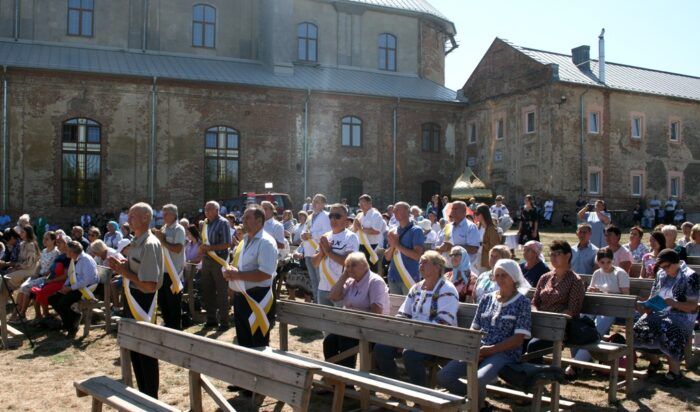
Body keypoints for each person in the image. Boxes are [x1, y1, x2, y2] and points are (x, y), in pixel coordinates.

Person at [437, 259, 532, 409]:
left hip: (505, 353)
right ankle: (480, 404)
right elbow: (474, 328)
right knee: (444, 376)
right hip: (480, 349)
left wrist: (490, 350)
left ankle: (476, 406)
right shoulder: (487, 298)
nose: (500, 279)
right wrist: (475, 348)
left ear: (514, 277)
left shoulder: (522, 303)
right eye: (497, 275)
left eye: (504, 275)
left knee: (478, 380)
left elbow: (518, 339)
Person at [373, 251, 459, 386]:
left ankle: (422, 398)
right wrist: (400, 335)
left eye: (425, 262)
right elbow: (403, 314)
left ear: (437, 267)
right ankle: (396, 390)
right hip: (412, 336)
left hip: (439, 339)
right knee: (381, 348)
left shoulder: (447, 289)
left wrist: (409, 340)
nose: (420, 265)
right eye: (420, 262)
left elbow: (442, 322)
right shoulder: (416, 287)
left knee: (410, 355)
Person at [107, 202, 163, 398]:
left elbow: (149, 285)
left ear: (146, 218)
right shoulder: (136, 241)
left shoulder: (149, 244)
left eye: (132, 216)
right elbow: (137, 272)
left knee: (146, 353)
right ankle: (142, 395)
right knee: (135, 352)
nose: (128, 219)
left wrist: (124, 272)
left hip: (143, 303)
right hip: (133, 302)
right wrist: (124, 266)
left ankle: (151, 399)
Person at [634, 249, 698, 382]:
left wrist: (674, 303)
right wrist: (647, 307)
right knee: (638, 327)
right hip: (660, 312)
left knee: (668, 328)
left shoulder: (690, 276)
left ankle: (674, 372)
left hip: (682, 315)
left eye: (667, 266)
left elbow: (693, 306)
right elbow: (654, 296)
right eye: (662, 267)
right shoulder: (661, 274)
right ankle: (655, 361)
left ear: (676, 263)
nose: (664, 269)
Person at [566, 248, 630, 378]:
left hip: (614, 309)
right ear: (598, 261)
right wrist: (593, 290)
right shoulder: (597, 273)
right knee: (578, 325)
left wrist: (606, 295)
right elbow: (590, 291)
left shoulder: (620, 273)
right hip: (596, 307)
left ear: (612, 260)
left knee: (594, 332)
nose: (605, 265)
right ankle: (579, 363)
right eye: (602, 262)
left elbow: (625, 296)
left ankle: (574, 365)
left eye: (608, 262)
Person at [222, 205, 278, 349]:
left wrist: (238, 274)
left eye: (247, 217)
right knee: (243, 343)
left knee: (258, 344)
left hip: (258, 298)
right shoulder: (244, 241)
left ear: (259, 221)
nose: (243, 220)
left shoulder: (266, 242)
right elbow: (239, 267)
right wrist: (230, 272)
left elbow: (265, 274)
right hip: (242, 297)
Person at [324, 252, 389, 367]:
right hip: (349, 325)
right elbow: (333, 296)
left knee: (346, 341)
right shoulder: (350, 281)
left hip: (370, 328)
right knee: (329, 341)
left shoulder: (374, 281)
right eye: (347, 266)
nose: (349, 268)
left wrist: (358, 322)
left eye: (353, 265)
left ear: (365, 265)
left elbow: (377, 312)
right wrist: (344, 276)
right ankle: (334, 377)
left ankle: (347, 382)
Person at [528, 240, 585, 354]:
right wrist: (536, 314)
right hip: (539, 323)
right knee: (519, 340)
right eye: (552, 254)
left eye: (557, 254)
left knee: (533, 346)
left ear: (568, 255)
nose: (553, 257)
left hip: (560, 328)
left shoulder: (575, 280)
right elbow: (534, 302)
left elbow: (572, 311)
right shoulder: (545, 277)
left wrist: (550, 321)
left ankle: (538, 371)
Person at [311, 204, 359, 306]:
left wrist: (329, 252)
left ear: (346, 217)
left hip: (341, 289)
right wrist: (321, 254)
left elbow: (348, 263)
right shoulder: (325, 236)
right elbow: (314, 263)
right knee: (324, 322)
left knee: (339, 321)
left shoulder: (351, 237)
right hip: (323, 288)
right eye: (331, 216)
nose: (333, 219)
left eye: (337, 216)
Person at [48, 240, 99, 336]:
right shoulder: (74, 259)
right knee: (52, 298)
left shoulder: (85, 260)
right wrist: (66, 286)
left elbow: (87, 280)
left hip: (86, 289)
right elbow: (71, 275)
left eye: (67, 250)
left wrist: (71, 288)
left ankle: (72, 327)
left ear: (72, 252)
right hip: (77, 286)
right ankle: (71, 320)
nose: (65, 251)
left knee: (63, 303)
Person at [151, 204, 186, 330]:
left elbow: (178, 248)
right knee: (163, 303)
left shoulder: (179, 229)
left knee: (174, 305)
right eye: (163, 213)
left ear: (174, 214)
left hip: (173, 273)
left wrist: (163, 240)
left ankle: (175, 330)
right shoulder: (164, 228)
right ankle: (167, 327)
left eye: (166, 214)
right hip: (162, 272)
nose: (163, 216)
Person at [11, 231, 59, 322]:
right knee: (22, 287)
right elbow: (39, 264)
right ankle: (16, 313)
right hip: (38, 275)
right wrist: (35, 274)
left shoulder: (56, 253)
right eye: (44, 238)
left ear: (53, 241)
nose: (44, 240)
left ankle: (22, 314)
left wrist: (44, 274)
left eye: (47, 239)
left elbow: (53, 269)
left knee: (26, 287)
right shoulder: (44, 251)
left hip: (46, 278)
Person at [199, 201, 232, 331]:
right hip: (207, 260)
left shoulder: (223, 223)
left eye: (209, 209)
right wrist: (202, 248)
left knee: (221, 292)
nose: (206, 211)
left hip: (219, 260)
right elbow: (204, 241)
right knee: (208, 291)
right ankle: (211, 319)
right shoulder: (206, 223)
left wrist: (210, 248)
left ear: (217, 210)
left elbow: (227, 244)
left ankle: (224, 322)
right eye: (205, 209)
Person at [297, 194, 332, 302]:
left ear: (323, 204)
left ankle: (321, 303)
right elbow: (304, 230)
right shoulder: (310, 216)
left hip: (319, 252)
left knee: (320, 280)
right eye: (313, 201)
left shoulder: (326, 216)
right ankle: (316, 301)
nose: (314, 203)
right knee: (313, 280)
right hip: (308, 252)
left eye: (317, 201)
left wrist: (312, 235)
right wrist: (302, 235)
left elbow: (327, 233)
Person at [384, 202, 424, 295]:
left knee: (409, 308)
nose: (394, 212)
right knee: (395, 308)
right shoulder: (393, 231)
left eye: (398, 209)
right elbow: (387, 257)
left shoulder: (416, 230)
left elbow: (417, 256)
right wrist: (393, 246)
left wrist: (397, 245)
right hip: (393, 276)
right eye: (394, 210)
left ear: (407, 211)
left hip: (409, 276)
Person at [33, 234, 72, 322]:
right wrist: (46, 278)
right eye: (57, 242)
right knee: (35, 290)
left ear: (66, 244)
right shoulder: (60, 256)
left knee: (41, 292)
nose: (57, 244)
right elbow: (51, 271)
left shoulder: (67, 257)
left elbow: (66, 276)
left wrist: (51, 280)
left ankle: (46, 315)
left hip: (63, 283)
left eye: (60, 243)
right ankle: (41, 316)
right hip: (55, 280)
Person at [435, 201, 480, 269]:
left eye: (456, 209)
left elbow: (474, 249)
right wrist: (441, 248)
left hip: (463, 268)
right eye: (452, 208)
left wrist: (453, 247)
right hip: (446, 267)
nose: (453, 211)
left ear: (464, 212)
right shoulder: (448, 227)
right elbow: (436, 246)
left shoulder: (471, 227)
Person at [354, 194, 385, 272]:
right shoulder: (359, 215)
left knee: (371, 270)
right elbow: (354, 230)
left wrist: (361, 228)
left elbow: (376, 231)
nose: (361, 205)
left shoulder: (376, 215)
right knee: (361, 270)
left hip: (371, 246)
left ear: (370, 203)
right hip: (361, 245)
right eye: (359, 203)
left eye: (363, 203)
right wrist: (355, 226)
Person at [3, 225, 41, 290]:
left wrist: (16, 268)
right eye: (21, 232)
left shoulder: (31, 245)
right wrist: (14, 267)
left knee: (6, 278)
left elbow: (29, 264)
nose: (20, 233)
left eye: (22, 232)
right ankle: (6, 297)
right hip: (23, 268)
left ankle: (7, 296)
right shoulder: (22, 244)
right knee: (6, 274)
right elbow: (20, 260)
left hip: (30, 270)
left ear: (27, 233)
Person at [475, 204, 500, 274]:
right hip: (476, 256)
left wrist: (482, 244)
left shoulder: (491, 229)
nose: (475, 215)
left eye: (477, 213)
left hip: (486, 258)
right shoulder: (477, 227)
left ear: (483, 214)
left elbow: (494, 246)